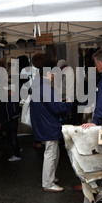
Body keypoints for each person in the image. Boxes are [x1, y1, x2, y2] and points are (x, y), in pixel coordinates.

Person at [30, 59, 72, 192]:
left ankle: (50, 177)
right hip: (48, 124)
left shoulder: (38, 86)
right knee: (51, 153)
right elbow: (57, 109)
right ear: (49, 73)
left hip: (43, 123)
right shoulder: (46, 87)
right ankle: (48, 183)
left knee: (54, 152)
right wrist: (68, 104)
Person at [0, 84, 22, 162]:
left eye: (8, 91)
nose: (6, 92)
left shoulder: (14, 100)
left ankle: (17, 155)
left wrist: (12, 118)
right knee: (11, 137)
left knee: (13, 138)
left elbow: (15, 112)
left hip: (13, 121)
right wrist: (1, 122)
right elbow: (3, 112)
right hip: (8, 122)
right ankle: (18, 149)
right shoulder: (6, 99)